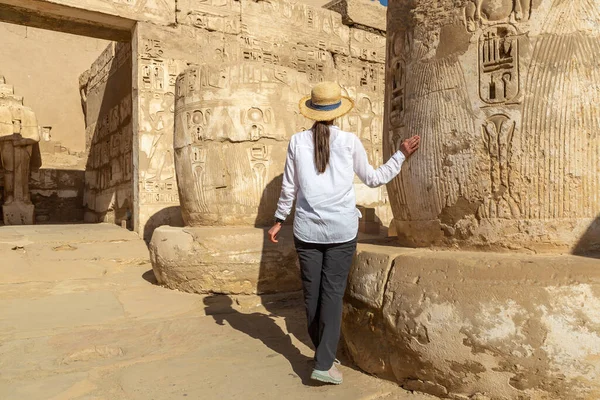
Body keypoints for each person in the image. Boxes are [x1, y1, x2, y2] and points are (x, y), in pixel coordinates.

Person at [268, 81, 420, 385]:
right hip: (341, 231)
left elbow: (289, 188)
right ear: (338, 112)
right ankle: (323, 361)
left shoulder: (297, 142)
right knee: (332, 295)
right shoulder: (349, 142)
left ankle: (322, 351)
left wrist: (278, 219)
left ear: (311, 111)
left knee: (312, 294)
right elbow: (374, 178)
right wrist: (400, 155)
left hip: (306, 231)